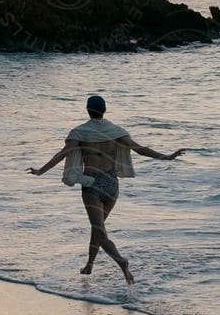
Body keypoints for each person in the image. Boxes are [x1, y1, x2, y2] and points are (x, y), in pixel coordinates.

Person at [27, 93, 184, 286]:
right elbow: (140, 149)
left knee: (99, 230)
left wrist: (41, 171)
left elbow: (63, 154)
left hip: (92, 184)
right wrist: (167, 157)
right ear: (104, 110)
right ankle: (90, 264)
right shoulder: (116, 131)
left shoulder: (79, 133)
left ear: (87, 109)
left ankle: (121, 261)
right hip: (111, 184)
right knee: (98, 228)